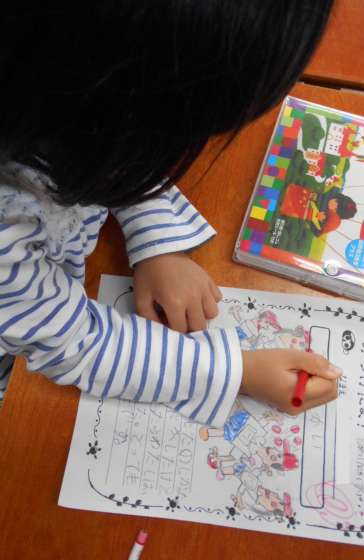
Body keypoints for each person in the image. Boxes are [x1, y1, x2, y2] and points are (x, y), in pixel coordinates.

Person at [0, 1, 341, 423]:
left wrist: (157, 243)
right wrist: (236, 373)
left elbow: (116, 148)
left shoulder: (60, 93)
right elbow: (75, 343)